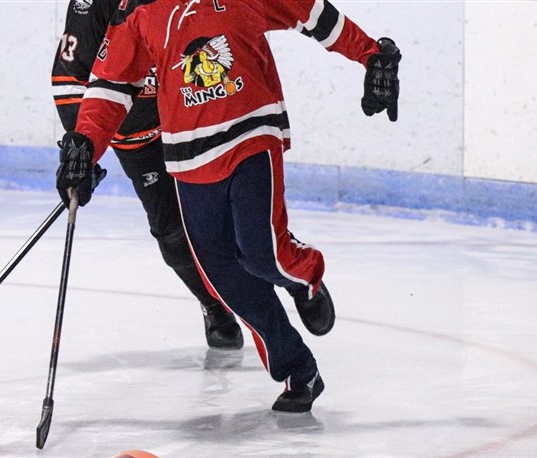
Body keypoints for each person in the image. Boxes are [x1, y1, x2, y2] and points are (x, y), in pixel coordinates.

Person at [55, 0, 401, 412]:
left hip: (250, 133)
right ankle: (298, 369)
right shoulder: (136, 10)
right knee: (221, 274)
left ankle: (304, 276)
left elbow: (313, 14)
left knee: (262, 253)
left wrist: (371, 54)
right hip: (187, 156)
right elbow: (111, 85)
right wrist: (85, 145)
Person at [51, 0, 245, 350]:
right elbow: (68, 79)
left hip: (192, 122)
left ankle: (272, 288)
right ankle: (215, 305)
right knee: (171, 234)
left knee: (231, 220)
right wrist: (84, 153)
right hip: (136, 138)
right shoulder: (91, 5)